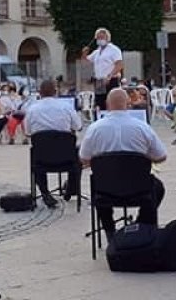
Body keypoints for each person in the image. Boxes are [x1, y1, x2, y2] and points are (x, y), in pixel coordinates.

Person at [78, 88, 167, 242]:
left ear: (107, 104)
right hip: (139, 190)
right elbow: (161, 156)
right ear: (128, 104)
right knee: (157, 188)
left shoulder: (94, 128)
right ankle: (142, 225)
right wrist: (143, 157)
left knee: (97, 186)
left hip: (106, 191)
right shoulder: (142, 127)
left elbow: (84, 158)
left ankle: (110, 232)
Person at [23, 79, 82, 208]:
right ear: (56, 92)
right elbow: (78, 126)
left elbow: (27, 132)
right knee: (78, 154)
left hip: (42, 158)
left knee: (36, 152)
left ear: (39, 93)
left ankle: (45, 192)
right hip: (66, 157)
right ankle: (71, 189)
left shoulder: (32, 109)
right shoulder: (66, 106)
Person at [82, 27, 123, 110]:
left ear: (107, 38)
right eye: (98, 38)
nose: (99, 39)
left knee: (110, 102)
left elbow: (119, 64)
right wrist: (84, 53)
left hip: (110, 80)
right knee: (100, 103)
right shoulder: (97, 52)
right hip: (99, 80)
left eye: (102, 37)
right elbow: (86, 61)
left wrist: (110, 75)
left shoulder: (114, 50)